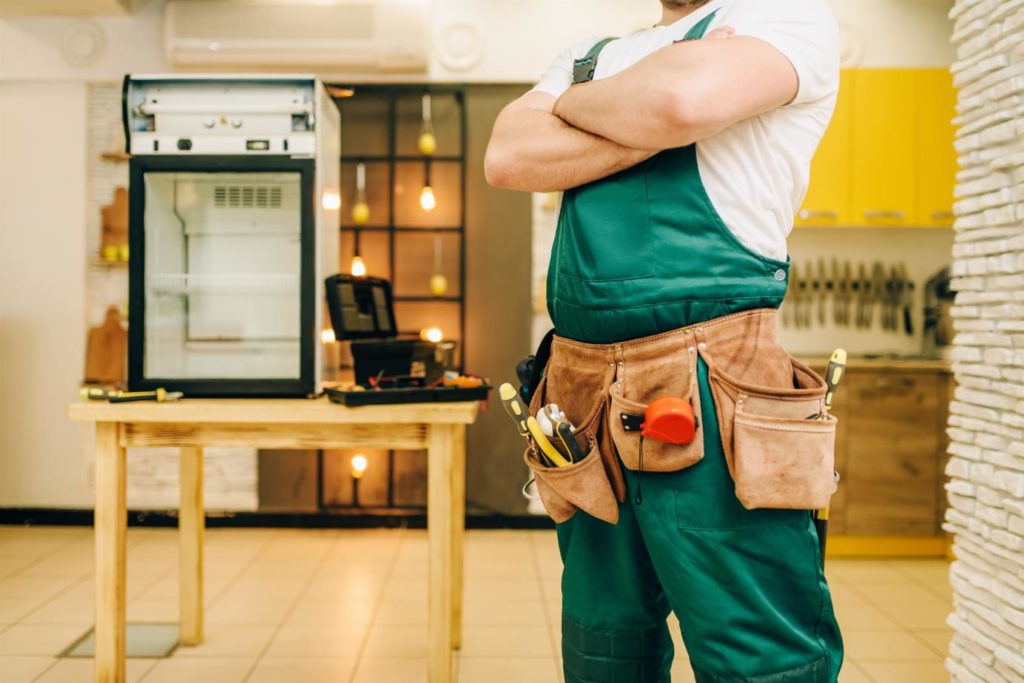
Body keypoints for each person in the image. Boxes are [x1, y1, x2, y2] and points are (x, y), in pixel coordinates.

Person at [485, 0, 844, 681]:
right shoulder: (587, 54)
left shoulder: (789, 16)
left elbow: (678, 102)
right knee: (604, 648)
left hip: (717, 386)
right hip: (581, 396)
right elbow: (507, 155)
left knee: (758, 656)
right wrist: (657, 115)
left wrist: (576, 110)